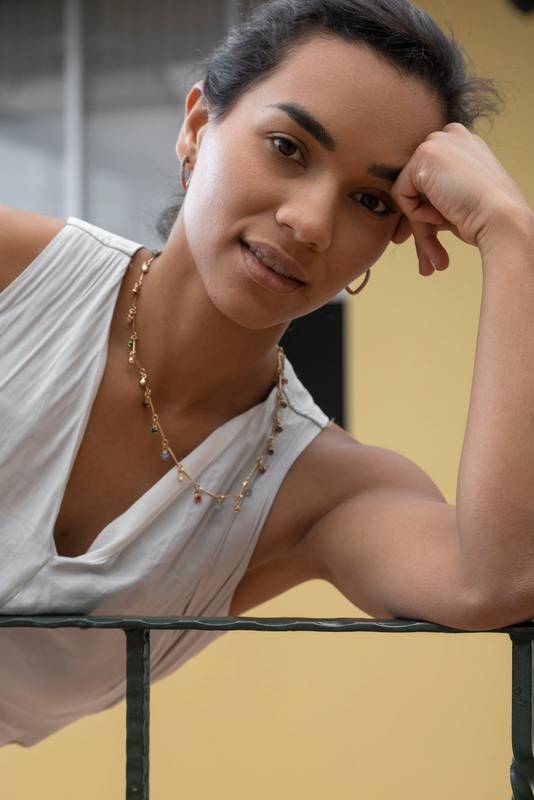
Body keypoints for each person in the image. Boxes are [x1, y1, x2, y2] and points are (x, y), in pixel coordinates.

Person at [1, 0, 533, 747]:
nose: (312, 222)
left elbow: (498, 582)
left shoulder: (319, 494)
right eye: (288, 146)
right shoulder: (13, 280)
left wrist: (515, 239)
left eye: (370, 200)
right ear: (196, 129)